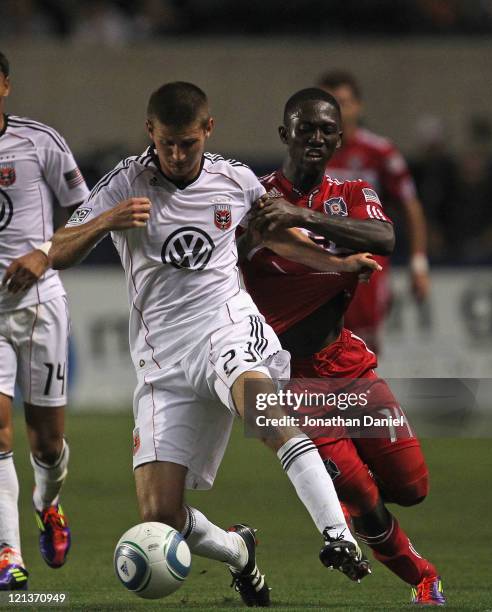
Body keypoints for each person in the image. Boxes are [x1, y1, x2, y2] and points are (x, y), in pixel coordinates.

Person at [44, 82, 374, 606]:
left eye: (188, 144)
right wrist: (108, 220)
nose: (176, 155)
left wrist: (337, 264)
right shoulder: (125, 182)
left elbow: (277, 235)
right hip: (161, 363)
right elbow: (55, 250)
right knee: (159, 516)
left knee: (265, 415)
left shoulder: (235, 179)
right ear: (150, 132)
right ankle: (239, 552)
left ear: (208, 131)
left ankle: (338, 535)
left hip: (226, 327)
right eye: (166, 143)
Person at [241, 87, 445, 605]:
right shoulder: (254, 197)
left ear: (338, 138)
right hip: (289, 380)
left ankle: (357, 495)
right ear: (284, 133)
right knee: (359, 492)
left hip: (348, 365)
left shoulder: (351, 191)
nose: (315, 137)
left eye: (325, 130)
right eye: (304, 128)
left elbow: (384, 239)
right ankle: (422, 576)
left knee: (412, 488)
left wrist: (303, 217)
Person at [0, 51, 88, 589]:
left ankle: (47, 503)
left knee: (46, 445)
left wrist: (44, 254)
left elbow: (84, 215)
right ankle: (8, 554)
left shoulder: (40, 142)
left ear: (5, 85)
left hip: (38, 307)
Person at [316, 70, 430, 354]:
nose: (336, 110)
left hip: (367, 261)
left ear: (358, 105)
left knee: (362, 347)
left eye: (342, 101)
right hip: (318, 258)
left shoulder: (379, 152)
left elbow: (410, 205)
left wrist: (418, 263)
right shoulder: (310, 151)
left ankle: (359, 398)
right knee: (317, 346)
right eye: (328, 103)